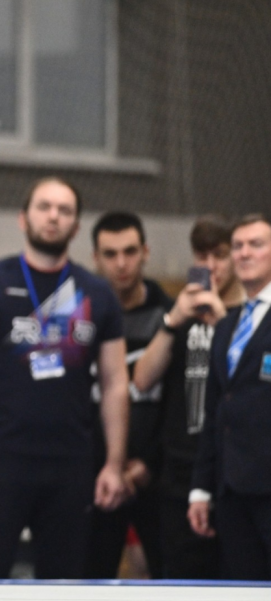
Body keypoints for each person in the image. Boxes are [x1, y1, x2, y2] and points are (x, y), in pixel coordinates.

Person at [0, 176, 129, 579]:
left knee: (64, 579)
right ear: (24, 219)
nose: (53, 217)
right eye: (44, 207)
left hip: (72, 464)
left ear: (76, 227)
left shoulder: (97, 293)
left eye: (64, 210)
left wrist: (113, 463)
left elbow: (116, 384)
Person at [133, 215, 243, 578]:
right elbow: (142, 379)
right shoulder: (181, 314)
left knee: (237, 575)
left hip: (233, 473)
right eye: (202, 255)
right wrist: (172, 320)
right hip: (179, 469)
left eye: (220, 255)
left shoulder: (251, 317)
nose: (210, 266)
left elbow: (250, 385)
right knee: (179, 577)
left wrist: (222, 321)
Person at [85, 212, 171, 579]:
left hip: (156, 476)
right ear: (96, 258)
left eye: (130, 251)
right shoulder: (81, 317)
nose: (121, 263)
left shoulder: (170, 317)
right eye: (110, 253)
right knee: (88, 579)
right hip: (97, 477)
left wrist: (148, 465)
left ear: (145, 252)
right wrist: (107, 468)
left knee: (172, 579)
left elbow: (180, 406)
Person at [189, 214, 271, 580]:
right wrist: (201, 488)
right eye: (238, 246)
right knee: (240, 584)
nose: (244, 253)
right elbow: (215, 410)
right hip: (232, 488)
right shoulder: (226, 325)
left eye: (256, 244)